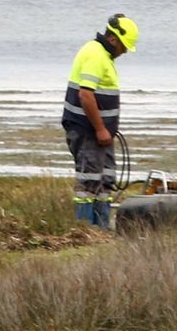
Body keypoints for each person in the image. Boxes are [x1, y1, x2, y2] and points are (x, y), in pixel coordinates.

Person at [61, 13, 139, 230]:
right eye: (123, 47)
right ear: (113, 39)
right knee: (89, 181)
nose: (124, 52)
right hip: (88, 131)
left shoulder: (103, 55)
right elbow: (86, 95)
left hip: (100, 133)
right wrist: (101, 129)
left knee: (105, 180)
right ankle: (86, 230)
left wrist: (106, 130)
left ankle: (102, 229)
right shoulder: (95, 54)